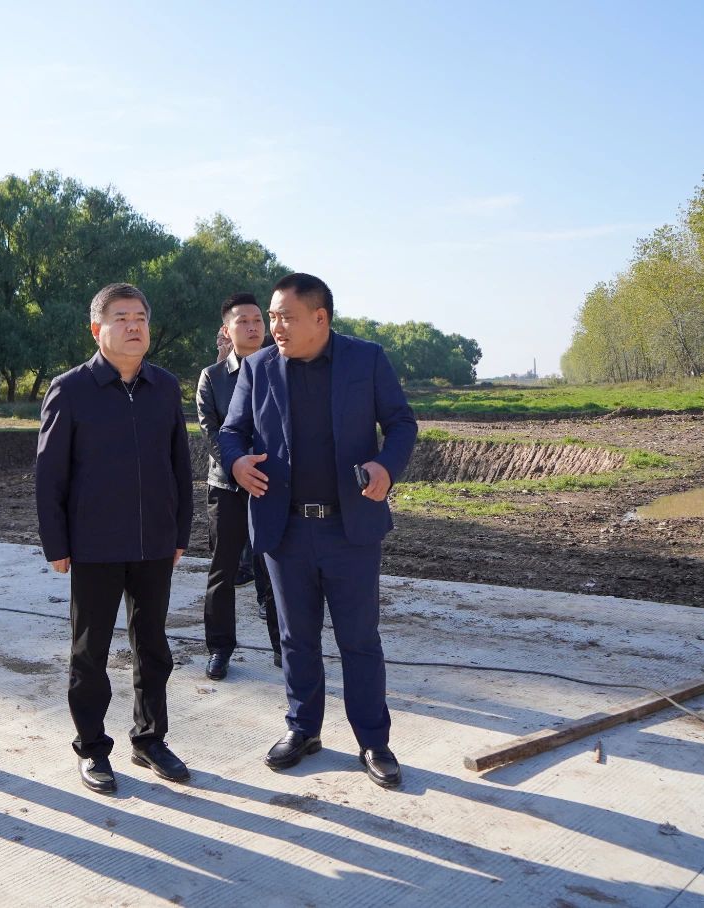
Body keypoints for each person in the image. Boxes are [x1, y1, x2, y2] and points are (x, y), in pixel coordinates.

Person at [219, 272, 417, 789]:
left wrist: (385, 467)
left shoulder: (365, 360)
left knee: (359, 639)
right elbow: (231, 430)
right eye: (272, 317)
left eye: (285, 317)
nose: (275, 327)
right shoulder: (258, 368)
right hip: (285, 529)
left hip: (350, 528)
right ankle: (303, 729)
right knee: (296, 638)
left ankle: (373, 741)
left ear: (320, 318)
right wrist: (237, 463)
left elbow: (401, 423)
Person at [35, 282, 193, 794]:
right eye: (121, 318)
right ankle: (91, 747)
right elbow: (50, 475)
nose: (133, 327)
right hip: (95, 545)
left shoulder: (164, 387)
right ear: (96, 329)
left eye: (140, 318)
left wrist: (180, 531)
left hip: (155, 543)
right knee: (91, 653)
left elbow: (179, 465)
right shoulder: (71, 389)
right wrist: (57, 543)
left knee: (154, 648)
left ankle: (150, 739)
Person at [196, 292, 282, 680]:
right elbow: (211, 432)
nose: (252, 327)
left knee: (275, 570)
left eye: (257, 320)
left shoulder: (282, 368)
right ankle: (219, 649)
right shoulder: (212, 378)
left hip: (271, 485)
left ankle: (284, 647)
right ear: (226, 330)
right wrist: (237, 465)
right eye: (242, 321)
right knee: (223, 571)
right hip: (226, 487)